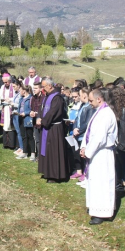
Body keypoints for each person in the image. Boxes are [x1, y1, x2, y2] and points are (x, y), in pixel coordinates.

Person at [80, 88, 118, 225]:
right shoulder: (99, 112)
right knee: (94, 181)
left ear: (99, 99)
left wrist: (88, 151)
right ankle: (94, 207)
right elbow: (90, 133)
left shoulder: (107, 114)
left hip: (102, 153)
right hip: (95, 152)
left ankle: (102, 212)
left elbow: (100, 138)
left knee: (102, 182)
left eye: (91, 100)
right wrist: (84, 147)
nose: (89, 103)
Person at [37, 77, 71, 183]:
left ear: (50, 86)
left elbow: (53, 112)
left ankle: (55, 175)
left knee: (54, 152)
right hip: (47, 127)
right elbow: (41, 108)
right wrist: (39, 117)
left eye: (43, 86)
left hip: (54, 128)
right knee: (47, 151)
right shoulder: (47, 96)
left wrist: (43, 121)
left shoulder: (57, 98)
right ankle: (47, 172)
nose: (42, 89)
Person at [17, 85, 35, 160]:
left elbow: (32, 109)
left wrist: (26, 113)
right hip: (21, 119)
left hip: (27, 119)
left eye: (20, 90)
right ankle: (25, 152)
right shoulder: (21, 99)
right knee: (23, 136)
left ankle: (33, 153)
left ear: (24, 91)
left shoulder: (31, 98)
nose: (19, 92)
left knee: (30, 136)